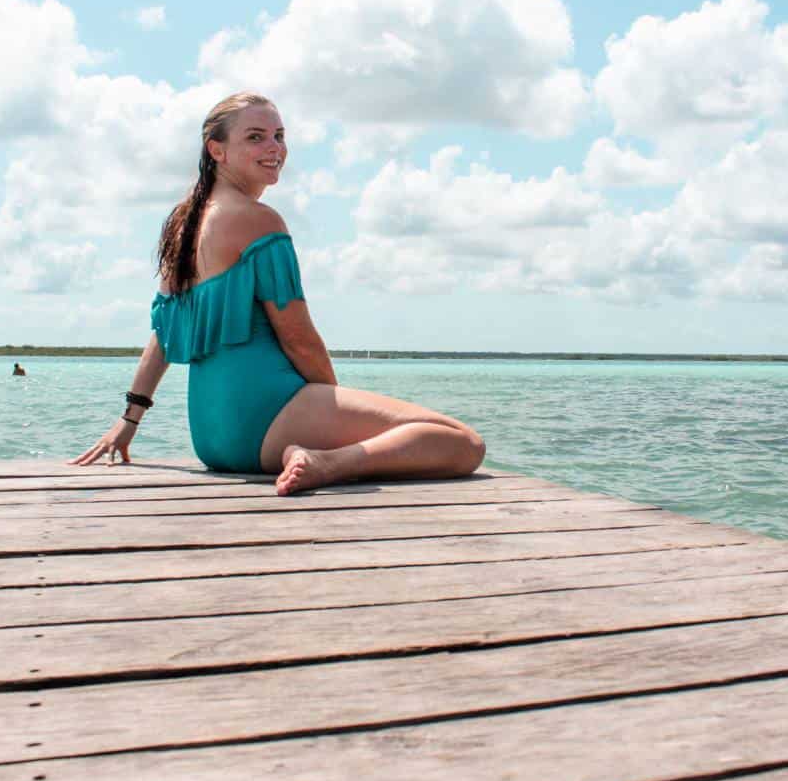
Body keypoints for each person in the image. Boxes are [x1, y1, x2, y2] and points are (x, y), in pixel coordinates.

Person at [70, 92, 485, 495]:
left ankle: (317, 454)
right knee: (462, 443)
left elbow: (163, 334)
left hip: (213, 438)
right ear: (217, 150)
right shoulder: (258, 220)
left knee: (438, 438)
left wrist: (130, 420)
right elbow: (298, 338)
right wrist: (333, 404)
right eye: (255, 137)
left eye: (279, 136)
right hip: (266, 414)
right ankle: (329, 462)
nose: (275, 148)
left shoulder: (182, 224)